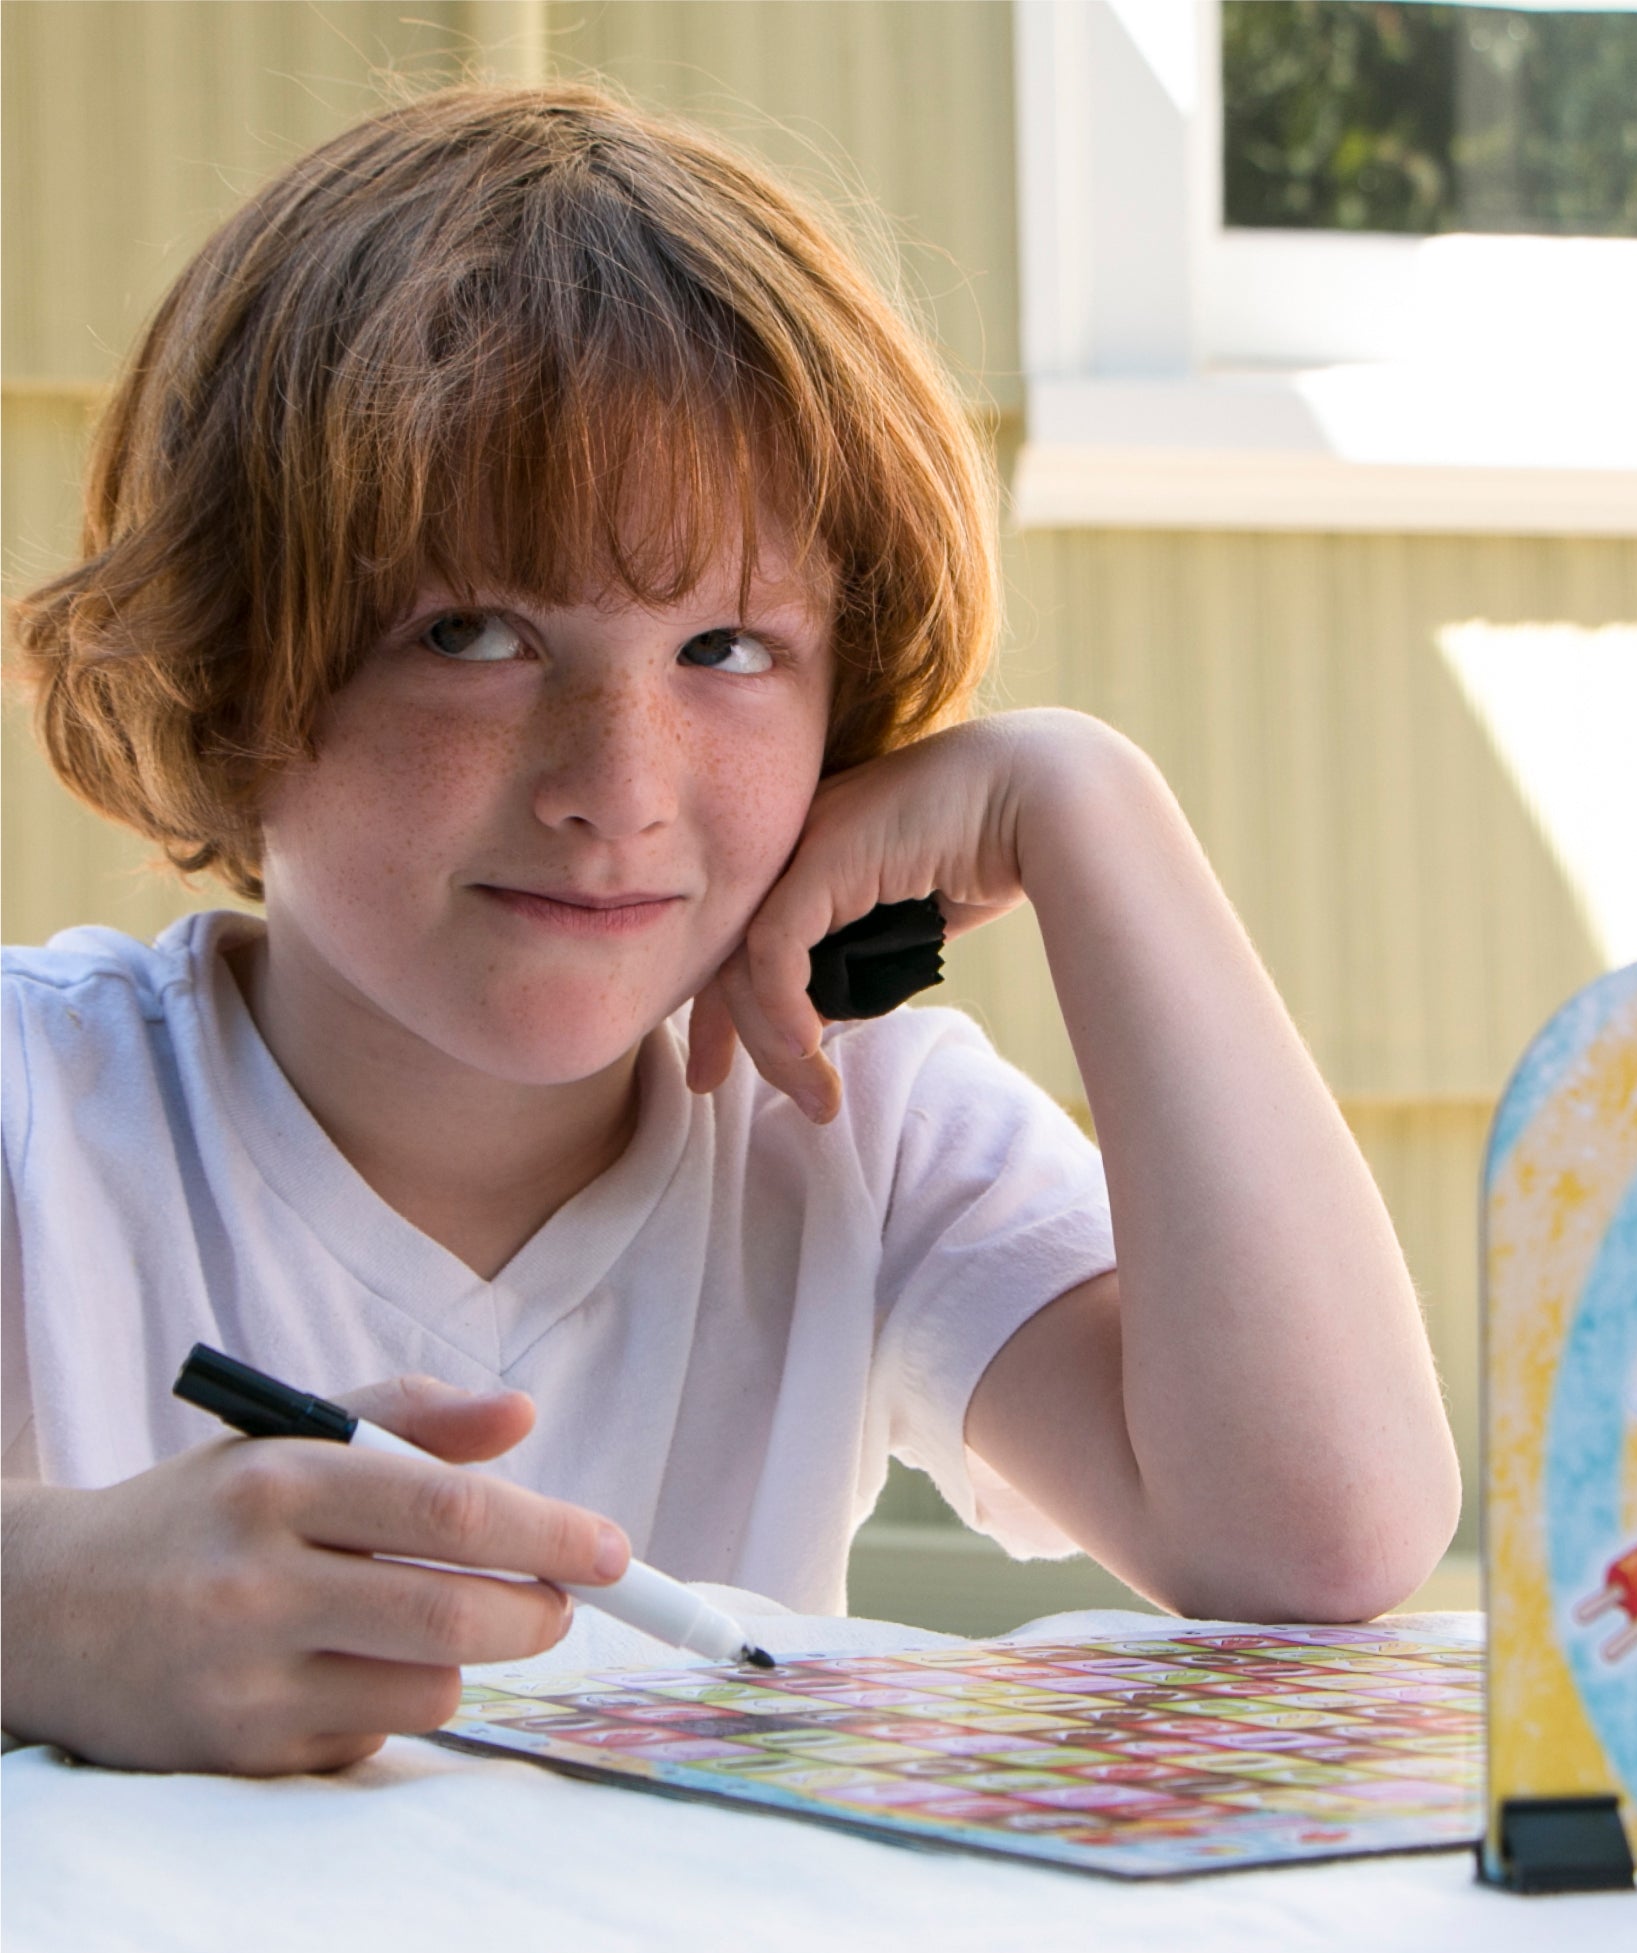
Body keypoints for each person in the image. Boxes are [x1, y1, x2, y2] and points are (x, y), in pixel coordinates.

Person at [1, 83, 1458, 1776]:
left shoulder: (861, 1124)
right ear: (230, 664)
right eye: (469, 633)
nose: (615, 787)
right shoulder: (40, 1106)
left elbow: (1321, 1550)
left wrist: (1089, 810)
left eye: (727, 650)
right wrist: (41, 1605)